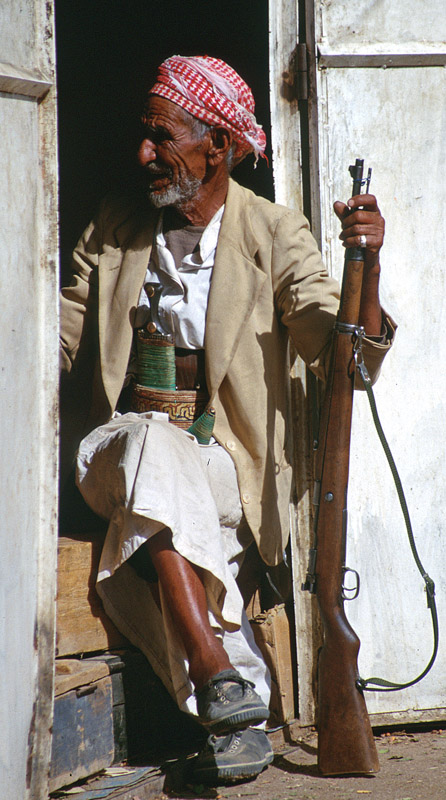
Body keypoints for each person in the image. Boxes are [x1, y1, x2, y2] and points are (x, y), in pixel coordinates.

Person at [60, 55, 395, 784]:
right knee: (146, 444)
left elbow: (347, 358)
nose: (143, 154)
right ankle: (218, 668)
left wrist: (366, 269)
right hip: (114, 452)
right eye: (143, 137)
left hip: (220, 468)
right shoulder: (116, 225)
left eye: (162, 137)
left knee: (151, 518)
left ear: (218, 146)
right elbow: (56, 338)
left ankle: (228, 706)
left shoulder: (273, 233)